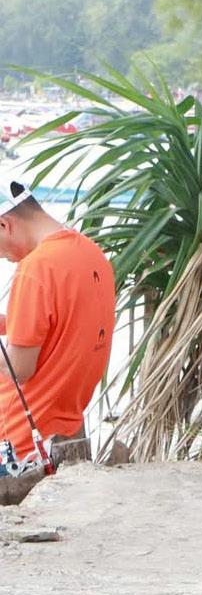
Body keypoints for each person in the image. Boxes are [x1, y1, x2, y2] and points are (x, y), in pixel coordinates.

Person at [0, 182, 114, 464]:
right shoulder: (90, 253)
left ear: (4, 225)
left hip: (18, 441)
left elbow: (18, 369)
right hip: (63, 425)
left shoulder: (36, 268)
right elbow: (61, 328)